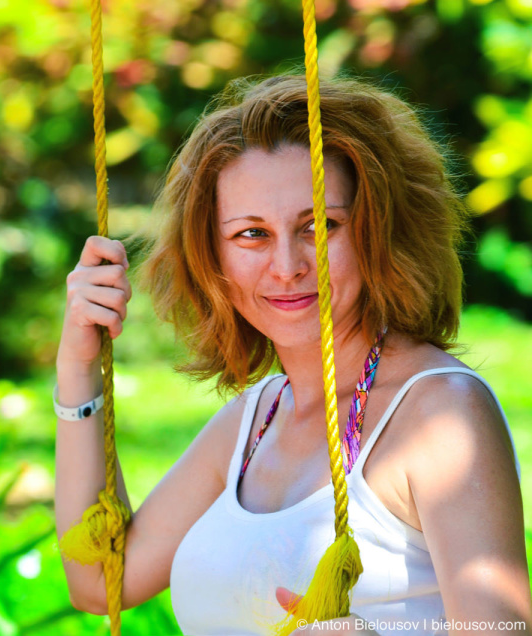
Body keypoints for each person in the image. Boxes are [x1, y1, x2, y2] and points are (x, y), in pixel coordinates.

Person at [54, 74, 532, 635]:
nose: (288, 265)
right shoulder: (255, 421)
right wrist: (79, 367)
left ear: (378, 231)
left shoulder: (440, 413)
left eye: (320, 225)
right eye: (251, 234)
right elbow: (100, 582)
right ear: (213, 260)